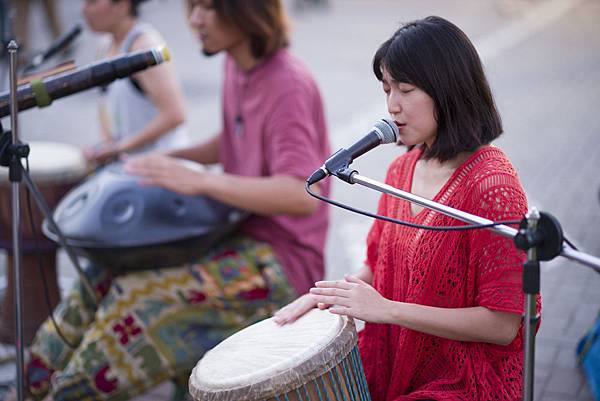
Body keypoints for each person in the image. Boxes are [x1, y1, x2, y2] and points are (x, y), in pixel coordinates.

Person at [5, 0, 329, 400]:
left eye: (208, 8)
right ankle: (32, 385)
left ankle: (66, 393)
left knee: (136, 297)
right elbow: (231, 140)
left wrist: (198, 182)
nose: (194, 20)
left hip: (281, 266)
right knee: (101, 274)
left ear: (248, 11)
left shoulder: (286, 82)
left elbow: (300, 194)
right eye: (193, 7)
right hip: (235, 237)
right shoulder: (236, 63)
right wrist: (165, 160)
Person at [275, 16, 540, 401]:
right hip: (394, 358)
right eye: (386, 90)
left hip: (464, 380)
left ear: (448, 90)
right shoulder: (401, 168)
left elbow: (503, 324)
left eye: (405, 89)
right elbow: (378, 262)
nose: (392, 106)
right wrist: (330, 295)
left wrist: (389, 310)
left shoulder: (492, 185)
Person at [82, 0, 189, 164]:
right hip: (127, 164)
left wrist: (119, 148)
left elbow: (175, 115)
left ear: (122, 6)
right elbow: (104, 104)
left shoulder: (145, 47)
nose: (84, 10)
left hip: (161, 164)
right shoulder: (104, 45)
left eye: (92, 2)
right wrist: (105, 145)